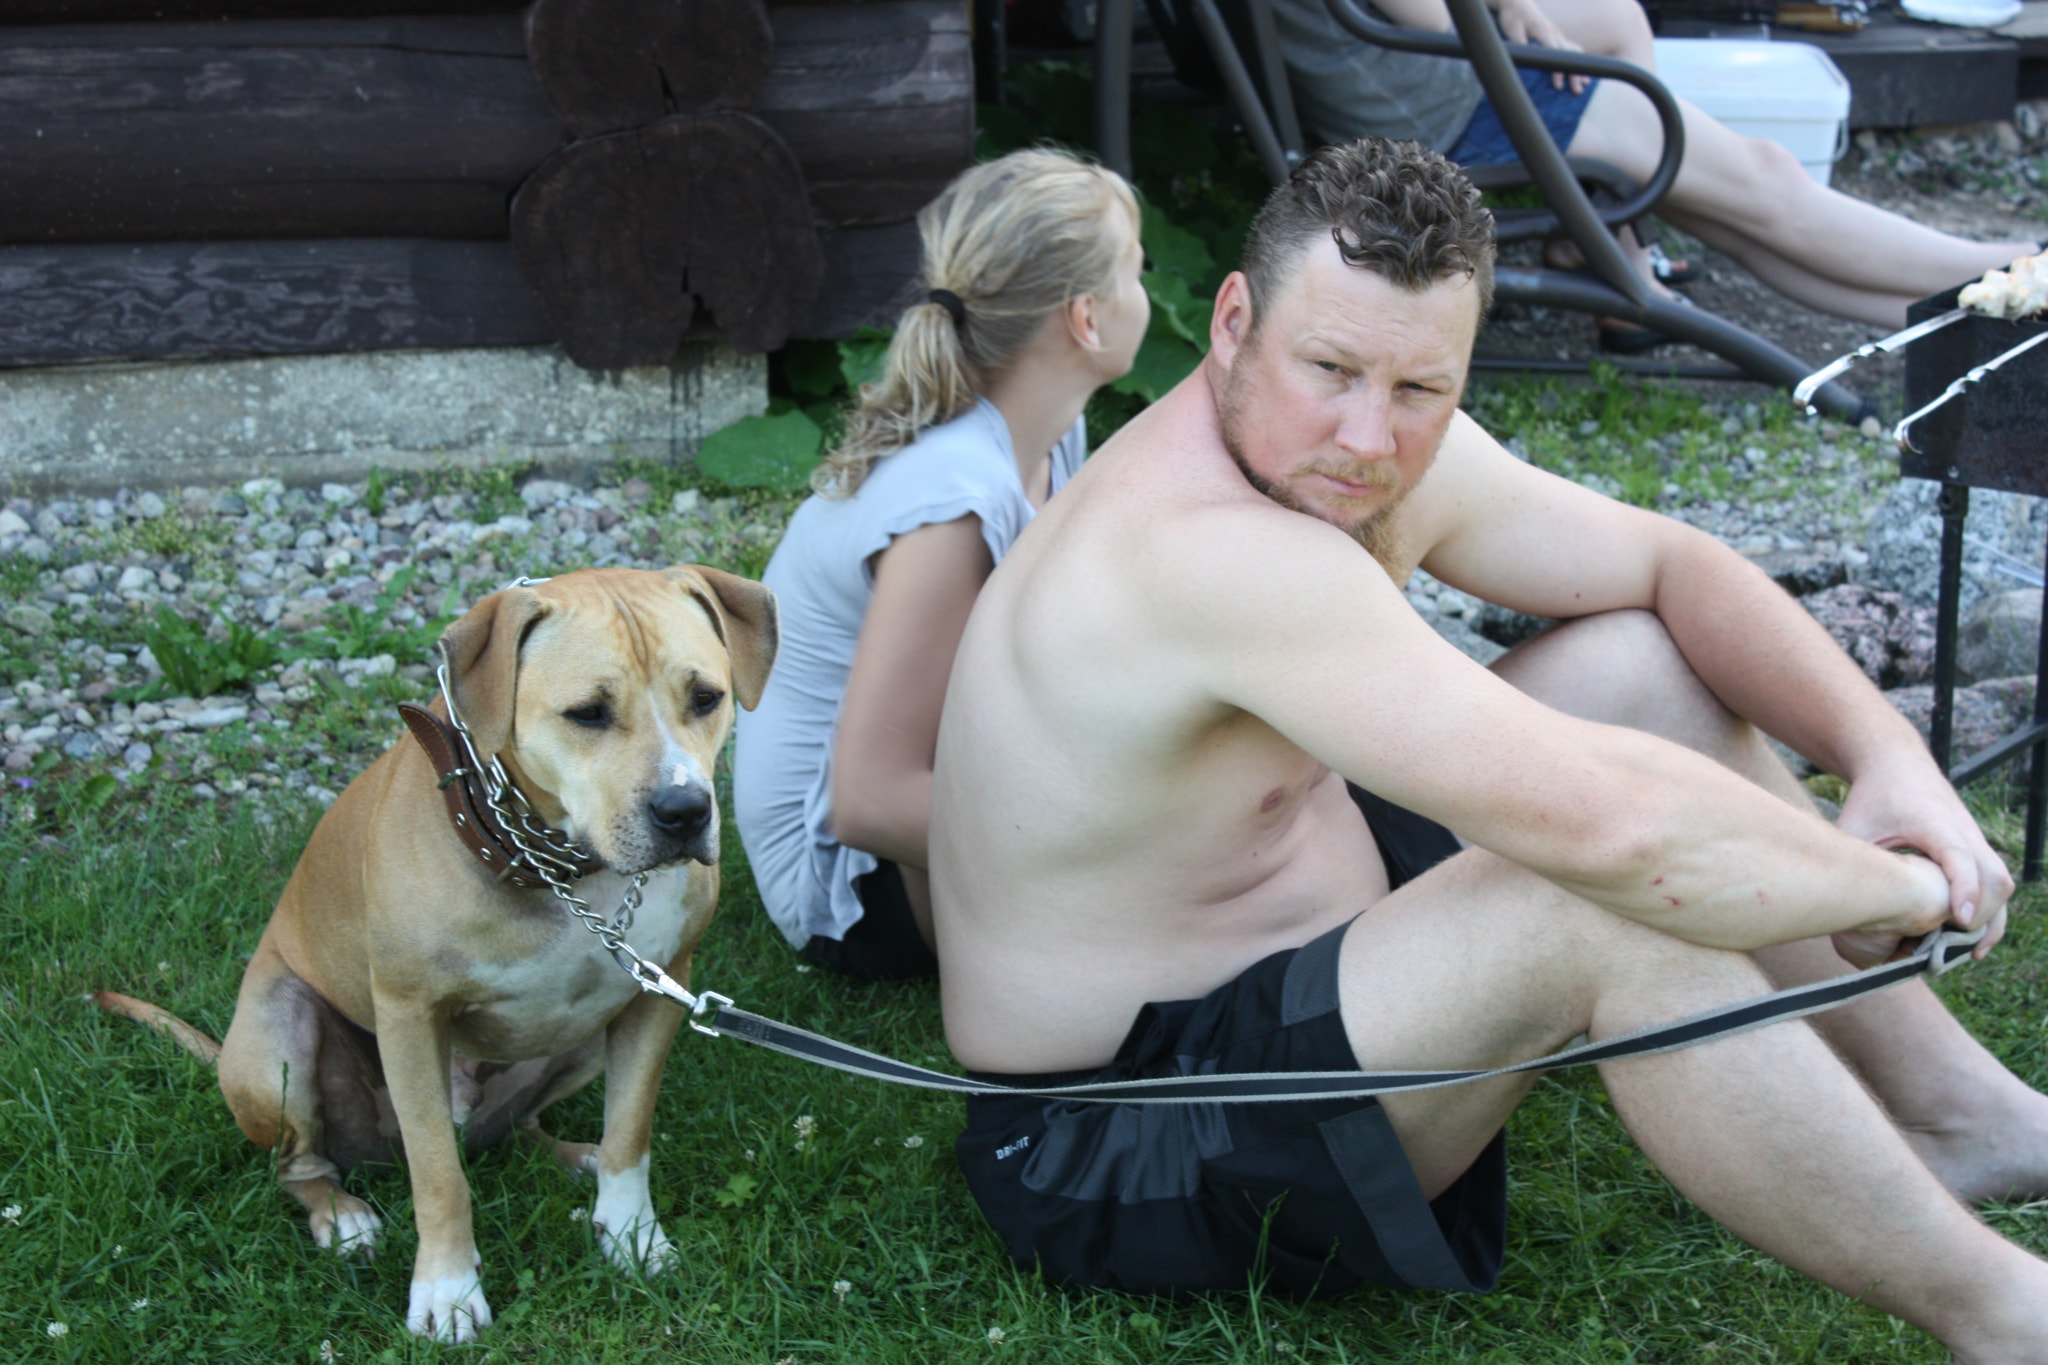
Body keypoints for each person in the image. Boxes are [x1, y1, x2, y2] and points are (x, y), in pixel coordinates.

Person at [927, 138, 2048, 1356]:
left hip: (1305, 933)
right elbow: (1621, 835)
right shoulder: (1204, 548)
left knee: (1633, 664)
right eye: (1328, 368)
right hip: (1116, 1128)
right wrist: (1896, 888)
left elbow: (1671, 566)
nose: (1367, 436)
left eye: (1420, 388)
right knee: (1584, 907)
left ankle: (1963, 1117)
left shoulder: (1340, 448)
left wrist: (1888, 763)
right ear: (1234, 321)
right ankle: (2008, 1319)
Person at [733, 148, 1148, 981]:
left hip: (939, 792)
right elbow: (869, 802)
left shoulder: (1046, 431)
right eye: (1137, 271)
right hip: (849, 884)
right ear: (1087, 318)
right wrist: (1126, 844)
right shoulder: (953, 501)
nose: (1146, 291)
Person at [1268, 0, 2039, 334]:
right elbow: (1432, 16)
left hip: (1412, 73)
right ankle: (2014, 267)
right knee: (1764, 181)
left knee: (1619, 21)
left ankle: (1618, 249)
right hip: (1440, 97)